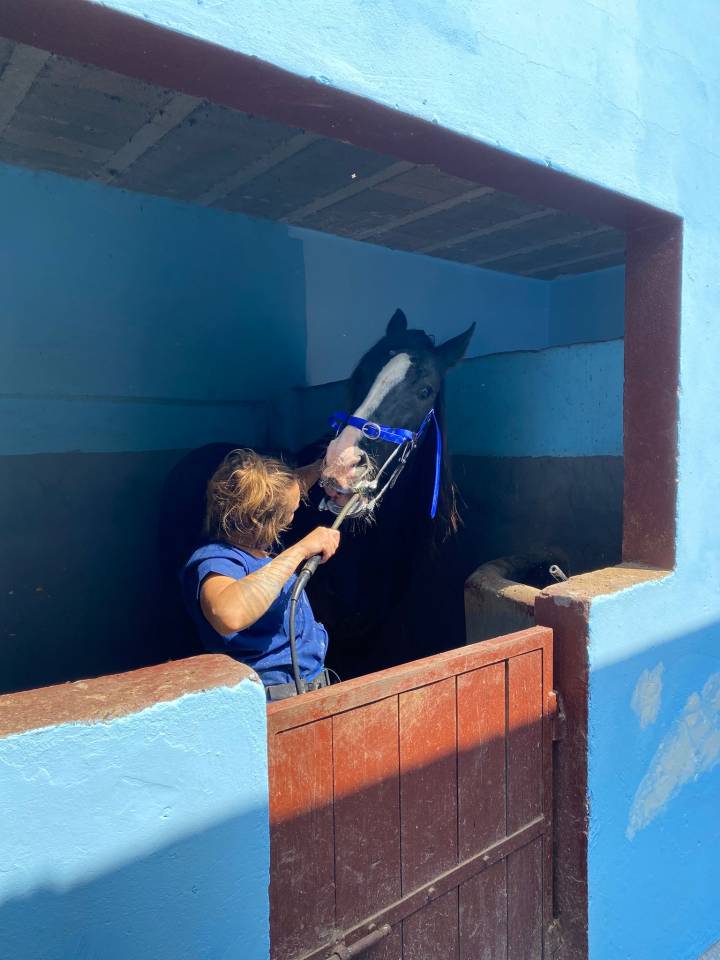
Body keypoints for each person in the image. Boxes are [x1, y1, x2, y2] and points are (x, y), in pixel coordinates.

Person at [181, 448, 339, 700]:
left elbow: (289, 489)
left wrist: (326, 466)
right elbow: (227, 614)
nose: (293, 516)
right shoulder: (215, 559)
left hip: (308, 690)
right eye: (291, 512)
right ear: (261, 520)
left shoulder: (254, 544)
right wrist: (300, 550)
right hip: (272, 704)